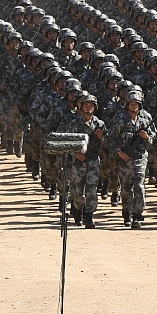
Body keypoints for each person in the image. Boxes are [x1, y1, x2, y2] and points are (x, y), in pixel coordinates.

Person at [113, 90, 155, 228]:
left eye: (136, 103)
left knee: (139, 186)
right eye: (131, 103)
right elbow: (110, 139)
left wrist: (147, 137)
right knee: (126, 188)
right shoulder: (120, 119)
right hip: (125, 158)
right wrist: (119, 152)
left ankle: (137, 215)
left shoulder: (146, 118)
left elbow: (153, 135)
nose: (134, 106)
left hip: (140, 158)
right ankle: (126, 213)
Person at [66, 93, 104, 229]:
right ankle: (78, 210)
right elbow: (69, 143)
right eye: (86, 105)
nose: (88, 108)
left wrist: (100, 137)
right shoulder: (74, 123)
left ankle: (89, 216)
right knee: (77, 191)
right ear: (81, 107)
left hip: (93, 160)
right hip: (78, 162)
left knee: (92, 189)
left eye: (91, 105)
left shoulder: (99, 124)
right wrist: (76, 154)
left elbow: (106, 144)